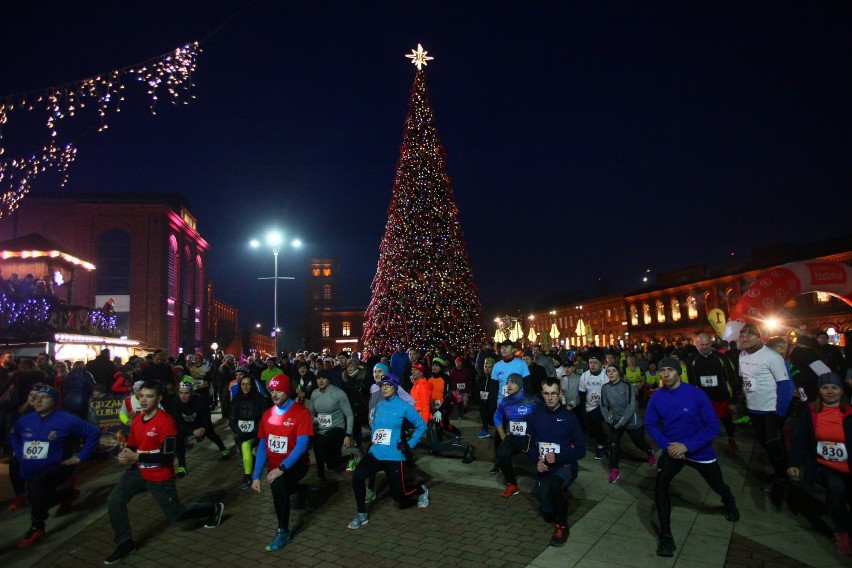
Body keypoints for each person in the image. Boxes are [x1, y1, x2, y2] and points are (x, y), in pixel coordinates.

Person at [105, 381, 224, 564]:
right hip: (137, 472)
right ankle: (125, 542)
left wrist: (136, 456)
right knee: (114, 500)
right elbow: (133, 445)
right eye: (141, 396)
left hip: (159, 476)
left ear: (159, 398)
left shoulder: (166, 422)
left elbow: (166, 456)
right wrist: (125, 454)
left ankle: (212, 508)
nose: (143, 400)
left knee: (176, 515)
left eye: (149, 396)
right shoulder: (137, 419)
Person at [645, 357, 740, 558]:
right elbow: (651, 424)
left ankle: (728, 500)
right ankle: (666, 535)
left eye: (670, 370)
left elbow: (713, 426)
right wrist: (666, 445)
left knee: (717, 484)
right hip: (672, 451)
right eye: (662, 371)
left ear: (678, 372)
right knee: (661, 486)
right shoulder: (657, 397)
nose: (665, 375)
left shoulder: (696, 394)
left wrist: (687, 446)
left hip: (699, 451)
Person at [9, 385, 100, 548]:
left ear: (55, 400)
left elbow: (93, 432)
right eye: (36, 398)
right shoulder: (25, 420)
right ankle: (68, 494)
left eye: (44, 397)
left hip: (59, 466)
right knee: (37, 498)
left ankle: (37, 527)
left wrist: (81, 456)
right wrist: (19, 452)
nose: (38, 400)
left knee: (38, 489)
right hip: (30, 470)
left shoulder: (67, 419)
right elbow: (13, 434)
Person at [347, 373, 429, 529]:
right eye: (382, 385)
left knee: (399, 496)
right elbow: (376, 428)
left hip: (394, 455)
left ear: (395, 387)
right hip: (376, 453)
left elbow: (422, 425)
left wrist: (410, 444)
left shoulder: (404, 406)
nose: (384, 388)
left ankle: (420, 489)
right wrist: (373, 441)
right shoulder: (380, 406)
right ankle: (361, 514)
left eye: (388, 385)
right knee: (357, 476)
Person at [787, 372, 852, 557]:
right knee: (836, 487)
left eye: (834, 387)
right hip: (824, 466)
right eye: (825, 387)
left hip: (848, 465)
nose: (830, 391)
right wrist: (794, 463)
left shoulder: (849, 412)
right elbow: (800, 439)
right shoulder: (811, 412)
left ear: (841, 391)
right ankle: (842, 532)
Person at [251, 375, 313, 551]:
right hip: (275, 467)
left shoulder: (301, 413)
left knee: (278, 485)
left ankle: (282, 531)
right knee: (280, 486)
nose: (275, 394)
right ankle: (302, 490)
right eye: (272, 390)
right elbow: (263, 447)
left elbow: (302, 446)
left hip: (297, 465)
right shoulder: (267, 414)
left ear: (287, 391)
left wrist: (281, 468)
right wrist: (255, 476)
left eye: (279, 390)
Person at [526, 378, 586, 547]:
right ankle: (553, 504)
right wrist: (536, 461)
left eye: (554, 394)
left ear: (560, 394)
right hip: (544, 467)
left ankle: (562, 527)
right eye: (546, 394)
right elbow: (529, 445)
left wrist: (558, 457)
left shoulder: (570, 418)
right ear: (542, 394)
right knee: (547, 514)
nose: (550, 398)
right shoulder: (535, 416)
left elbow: (581, 450)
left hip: (565, 465)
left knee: (555, 484)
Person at [738, 323, 794, 491]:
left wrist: (780, 412)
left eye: (749, 335)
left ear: (759, 337)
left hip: (771, 410)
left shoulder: (771, 356)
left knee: (774, 445)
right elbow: (745, 380)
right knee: (764, 444)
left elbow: (785, 385)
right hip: (754, 409)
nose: (745, 338)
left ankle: (784, 479)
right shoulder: (742, 354)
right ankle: (780, 472)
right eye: (742, 336)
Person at [600, 364, 656, 483]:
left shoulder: (626, 385)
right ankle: (614, 470)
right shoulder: (605, 387)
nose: (610, 373)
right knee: (613, 444)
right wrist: (609, 420)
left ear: (619, 373)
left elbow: (631, 406)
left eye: (613, 371)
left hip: (631, 420)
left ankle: (649, 452)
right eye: (608, 371)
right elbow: (603, 406)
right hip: (616, 421)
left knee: (639, 442)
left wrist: (621, 423)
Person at [688, 333, 739, 451]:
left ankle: (731, 438)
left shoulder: (721, 357)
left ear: (711, 344)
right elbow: (692, 381)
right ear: (697, 344)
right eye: (702, 345)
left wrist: (733, 399)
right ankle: (706, 441)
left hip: (721, 395)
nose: (705, 347)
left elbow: (730, 377)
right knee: (704, 421)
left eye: (707, 344)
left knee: (727, 420)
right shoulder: (692, 359)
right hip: (703, 397)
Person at [167, 382, 230, 477]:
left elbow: (206, 415)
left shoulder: (199, 400)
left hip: (200, 423)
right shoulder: (174, 402)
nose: (183, 396)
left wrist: (203, 427)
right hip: (185, 425)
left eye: (186, 393)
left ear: (191, 393)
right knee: (179, 440)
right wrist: (192, 431)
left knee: (212, 435)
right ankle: (182, 466)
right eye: (181, 393)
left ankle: (223, 449)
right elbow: (177, 422)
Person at [494, 373, 541, 497]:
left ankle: (546, 483)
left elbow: (543, 417)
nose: (508, 385)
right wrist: (503, 436)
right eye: (507, 382)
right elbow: (497, 418)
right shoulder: (505, 401)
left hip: (529, 439)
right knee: (501, 454)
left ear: (520, 385)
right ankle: (512, 484)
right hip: (513, 437)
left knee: (539, 463)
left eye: (512, 382)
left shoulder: (532, 401)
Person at [307, 370, 356, 490]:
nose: (320, 381)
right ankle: (350, 457)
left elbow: (349, 415)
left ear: (329, 380)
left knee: (318, 445)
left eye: (324, 378)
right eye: (318, 378)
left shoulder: (338, 393)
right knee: (332, 464)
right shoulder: (314, 394)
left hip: (337, 429)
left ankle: (320, 477)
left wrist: (348, 434)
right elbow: (310, 414)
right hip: (322, 430)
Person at [229, 373, 271, 489]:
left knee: (246, 446)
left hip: (256, 434)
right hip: (240, 434)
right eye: (243, 384)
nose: (245, 387)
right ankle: (256, 463)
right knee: (245, 454)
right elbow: (231, 420)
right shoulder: (235, 400)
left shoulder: (260, 399)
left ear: (252, 385)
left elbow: (263, 419)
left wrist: (252, 432)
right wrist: (239, 432)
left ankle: (247, 477)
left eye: (248, 384)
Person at [578, 355, 609, 460]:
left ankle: (601, 446)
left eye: (595, 362)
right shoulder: (585, 376)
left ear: (601, 364)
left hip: (603, 405)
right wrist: (583, 409)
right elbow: (582, 393)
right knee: (590, 428)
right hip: (589, 404)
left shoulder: (606, 374)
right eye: (590, 362)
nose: (592, 365)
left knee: (596, 420)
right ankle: (602, 436)